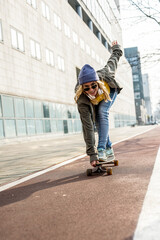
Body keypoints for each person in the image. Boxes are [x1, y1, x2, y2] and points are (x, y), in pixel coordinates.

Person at [74, 40, 123, 167]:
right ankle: (109, 148)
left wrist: (116, 49)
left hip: (109, 92)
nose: (91, 90)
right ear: (82, 88)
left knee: (102, 112)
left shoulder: (105, 74)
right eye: (86, 88)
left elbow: (113, 61)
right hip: (94, 102)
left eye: (93, 86)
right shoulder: (82, 100)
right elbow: (87, 126)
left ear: (97, 82)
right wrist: (92, 154)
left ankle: (102, 148)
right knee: (96, 122)